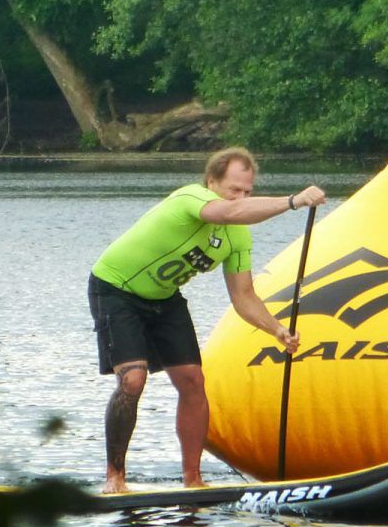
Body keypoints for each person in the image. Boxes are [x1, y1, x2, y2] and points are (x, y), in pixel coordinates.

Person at [88, 147, 327, 493]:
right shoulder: (191, 198)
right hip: (115, 289)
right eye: (234, 189)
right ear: (211, 182)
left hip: (164, 299)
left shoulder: (238, 237)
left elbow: (244, 296)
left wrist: (277, 330)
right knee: (133, 380)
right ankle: (115, 478)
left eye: (248, 191)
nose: (242, 197)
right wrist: (293, 201)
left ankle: (193, 480)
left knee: (193, 380)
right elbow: (229, 212)